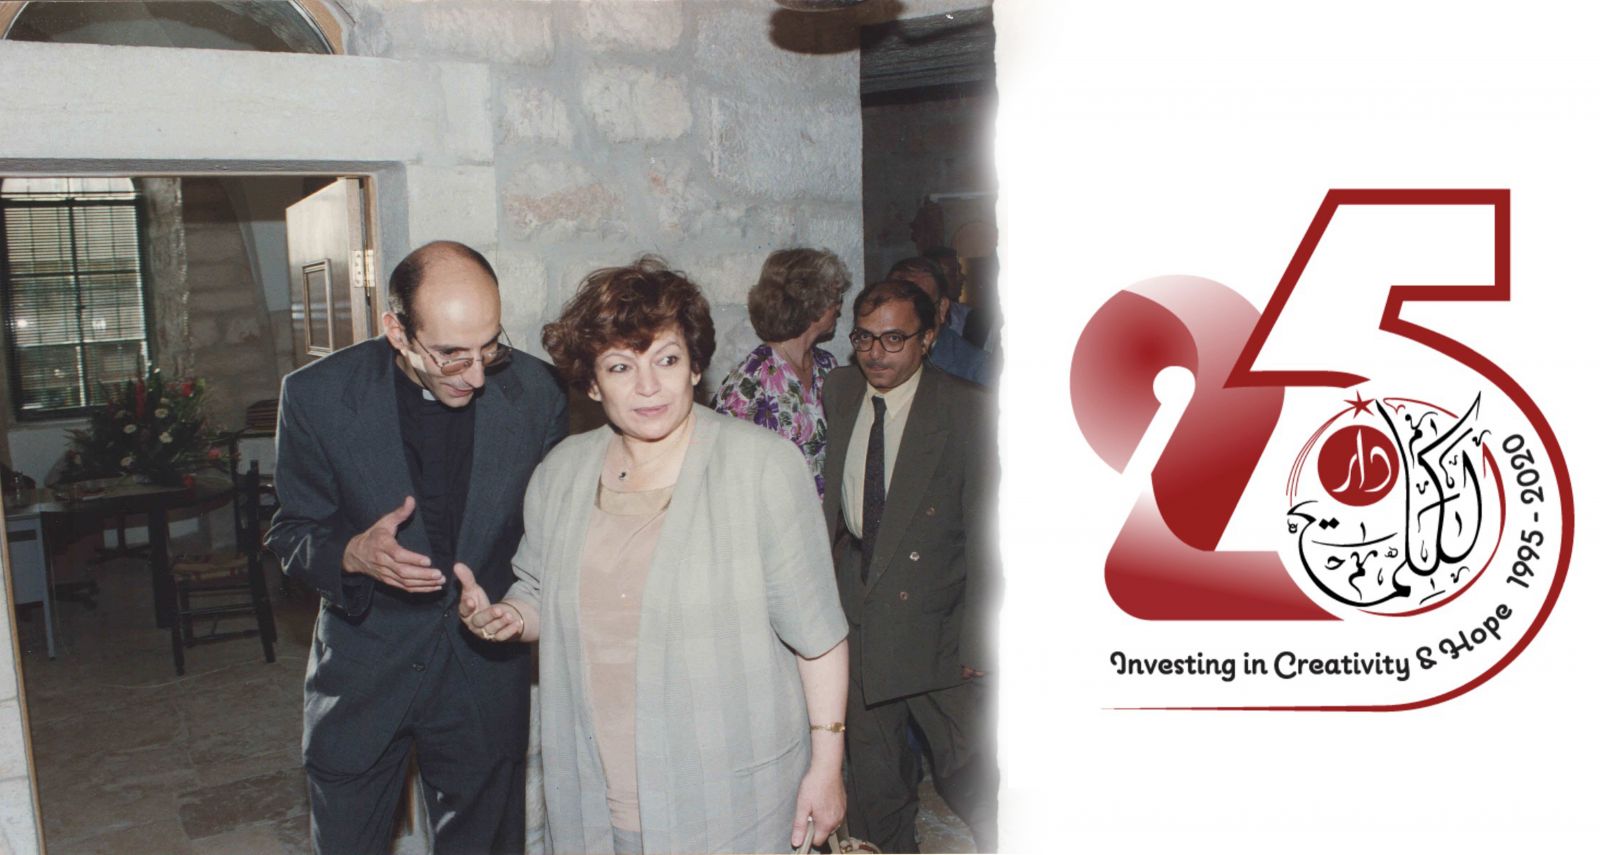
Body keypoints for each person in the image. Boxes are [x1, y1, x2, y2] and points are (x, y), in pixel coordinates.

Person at [456, 256, 851, 854]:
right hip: (595, 781)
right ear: (592, 383)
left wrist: (827, 767)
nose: (648, 386)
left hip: (731, 792)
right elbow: (536, 588)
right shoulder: (561, 473)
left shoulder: (762, 468)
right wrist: (508, 617)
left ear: (695, 366)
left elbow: (818, 637)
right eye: (621, 366)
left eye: (666, 359)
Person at [266, 240, 568, 855]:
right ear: (397, 331)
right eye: (452, 355)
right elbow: (292, 532)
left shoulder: (539, 393)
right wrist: (351, 553)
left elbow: (552, 538)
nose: (477, 375)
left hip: (483, 676)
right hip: (364, 673)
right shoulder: (316, 396)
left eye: (490, 347)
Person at [821, 278, 1001, 852]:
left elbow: (988, 535)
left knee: (971, 768)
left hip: (937, 619)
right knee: (875, 776)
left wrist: (980, 640)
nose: (876, 353)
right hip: (860, 607)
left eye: (894, 339)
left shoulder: (967, 410)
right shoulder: (841, 389)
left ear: (928, 339)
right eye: (864, 337)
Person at [712, 247, 849, 498]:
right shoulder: (750, 380)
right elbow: (727, 472)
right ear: (814, 303)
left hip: (826, 516)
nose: (839, 307)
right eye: (836, 297)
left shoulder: (827, 366)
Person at [886, 256, 996, 386]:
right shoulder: (874, 355)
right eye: (896, 306)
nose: (906, 316)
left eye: (920, 306)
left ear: (942, 308)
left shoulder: (979, 370)